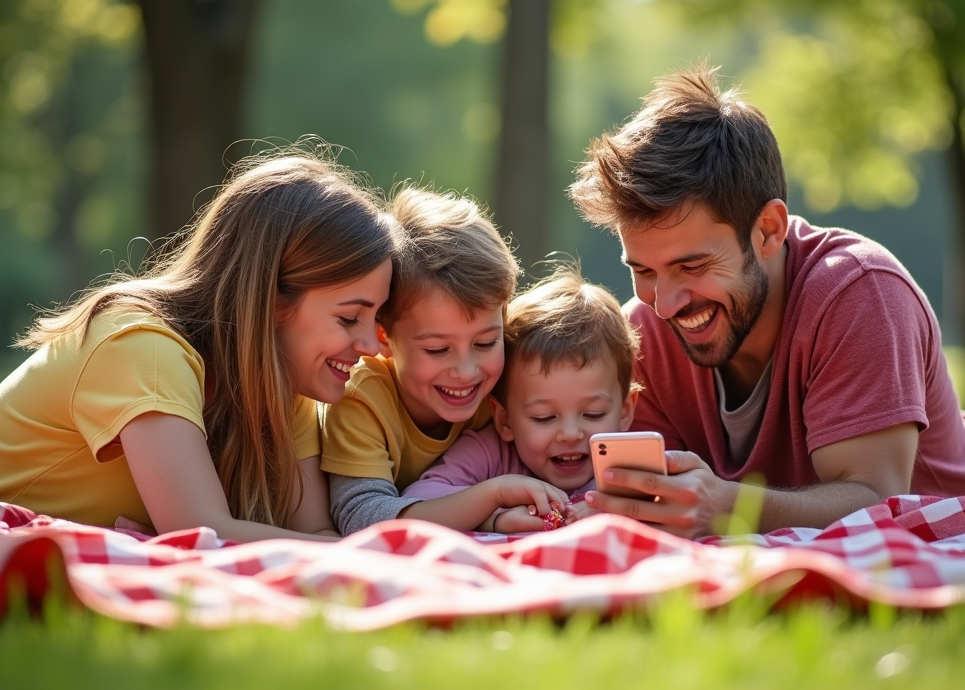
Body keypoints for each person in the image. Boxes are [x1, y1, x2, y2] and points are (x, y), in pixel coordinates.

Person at [568, 62, 965, 538]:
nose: (663, 305)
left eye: (692, 266)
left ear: (768, 230)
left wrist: (728, 507)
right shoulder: (644, 329)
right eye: (641, 270)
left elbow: (876, 498)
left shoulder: (860, 292)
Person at [0, 144, 400, 542]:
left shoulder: (286, 386)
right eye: (349, 318)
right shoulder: (142, 346)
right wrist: (186, 533)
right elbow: (203, 534)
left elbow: (314, 533)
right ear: (269, 301)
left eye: (376, 317)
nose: (370, 345)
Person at [322, 187, 565, 535]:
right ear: (383, 338)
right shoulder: (362, 400)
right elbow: (362, 517)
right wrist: (489, 498)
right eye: (437, 349)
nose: (466, 371)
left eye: (485, 342)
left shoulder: (508, 387)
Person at [403, 264, 641, 532]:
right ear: (504, 420)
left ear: (624, 412)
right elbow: (416, 503)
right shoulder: (491, 452)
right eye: (544, 417)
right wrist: (494, 504)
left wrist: (624, 509)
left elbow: (670, 504)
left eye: (594, 414)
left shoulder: (634, 460)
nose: (571, 434)